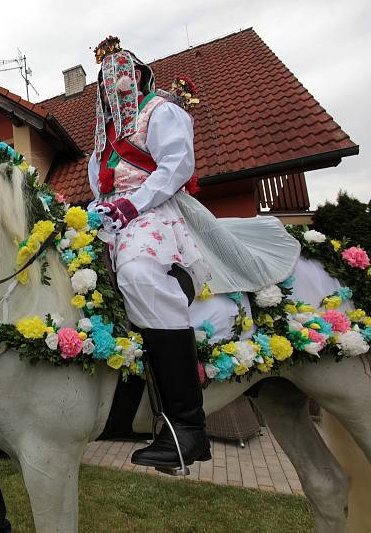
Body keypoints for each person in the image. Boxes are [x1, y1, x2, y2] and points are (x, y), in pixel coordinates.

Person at [87, 36, 298, 469]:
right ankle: (120, 403)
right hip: (113, 224)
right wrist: (98, 214)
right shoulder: (100, 140)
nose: (115, 87)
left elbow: (176, 166)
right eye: (107, 82)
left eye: (122, 76)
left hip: (156, 211)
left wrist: (131, 204)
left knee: (140, 276)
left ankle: (187, 426)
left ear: (139, 77)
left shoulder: (161, 112)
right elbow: (99, 187)